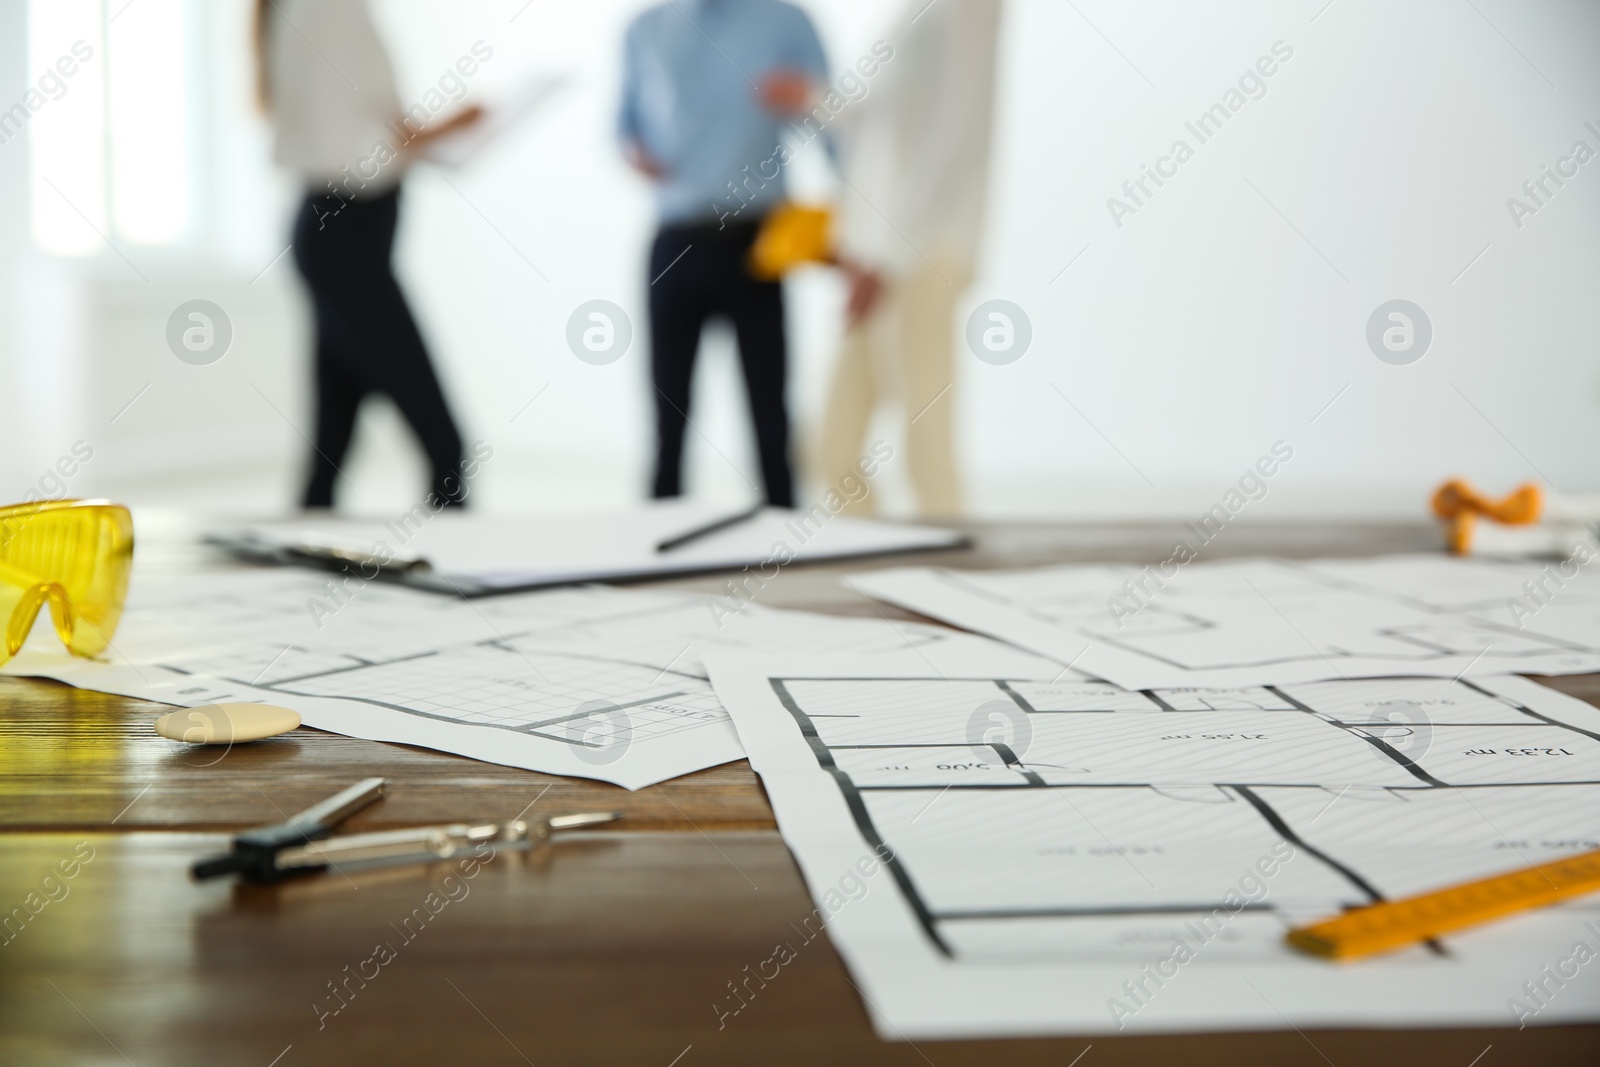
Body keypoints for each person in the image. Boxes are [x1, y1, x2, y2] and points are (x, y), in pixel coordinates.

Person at [254, 0, 482, 509]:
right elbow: (355, 150)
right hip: (345, 240)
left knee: (330, 448)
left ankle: (302, 562)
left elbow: (353, 124)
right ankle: (463, 566)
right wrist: (451, 126)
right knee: (446, 448)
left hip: (339, 238)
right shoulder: (326, 8)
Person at [618, 0, 831, 508]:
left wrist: (870, 232)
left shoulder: (786, 21)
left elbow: (836, 125)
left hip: (758, 239)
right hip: (676, 237)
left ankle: (784, 547)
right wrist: (634, 151)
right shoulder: (644, 28)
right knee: (668, 415)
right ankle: (656, 546)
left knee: (770, 413)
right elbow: (623, 124)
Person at [817, 0, 1003, 518]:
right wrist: (810, 98)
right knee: (832, 447)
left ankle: (946, 578)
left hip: (925, 254)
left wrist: (888, 259)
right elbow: (880, 121)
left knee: (927, 450)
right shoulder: (906, 16)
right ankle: (862, 572)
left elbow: (955, 137)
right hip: (880, 254)